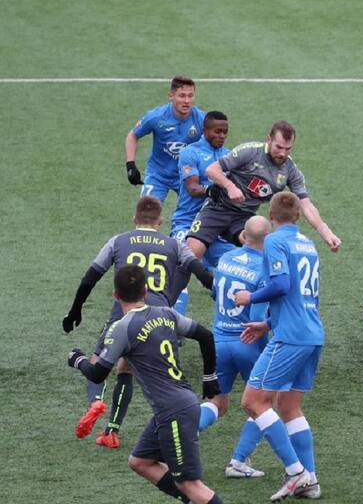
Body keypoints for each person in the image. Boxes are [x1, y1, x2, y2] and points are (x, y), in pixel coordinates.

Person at [62, 196, 213, 448]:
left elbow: (91, 276)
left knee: (100, 361)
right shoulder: (173, 244)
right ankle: (112, 430)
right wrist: (214, 287)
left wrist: (75, 309)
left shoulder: (118, 241)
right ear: (160, 221)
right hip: (161, 316)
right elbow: (197, 269)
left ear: (135, 219)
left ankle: (96, 402)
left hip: (125, 311)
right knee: (129, 369)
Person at [67, 264, 224, 504]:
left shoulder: (122, 327)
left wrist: (77, 360)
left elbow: (98, 373)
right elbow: (205, 335)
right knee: (140, 462)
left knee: (189, 483)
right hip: (175, 406)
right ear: (146, 290)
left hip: (174, 410)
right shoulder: (166, 313)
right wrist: (209, 376)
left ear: (116, 295)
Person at [231, 191, 324, 500]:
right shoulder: (308, 245)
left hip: (291, 337)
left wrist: (250, 298)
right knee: (288, 406)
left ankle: (296, 472)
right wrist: (267, 323)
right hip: (312, 333)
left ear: (271, 216)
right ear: (297, 216)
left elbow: (281, 285)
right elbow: (302, 296)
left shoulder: (274, 241)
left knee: (253, 401)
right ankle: (310, 481)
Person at [185, 120, 340, 262]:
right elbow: (212, 170)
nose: (283, 154)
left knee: (263, 251)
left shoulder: (290, 170)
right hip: (217, 209)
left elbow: (306, 205)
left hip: (244, 217)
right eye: (279, 147)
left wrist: (326, 233)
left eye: (288, 149)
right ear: (269, 140)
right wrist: (230, 187)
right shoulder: (250, 152)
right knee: (192, 253)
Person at [199, 216, 270, 478]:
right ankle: (239, 462)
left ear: (243, 236)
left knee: (217, 403)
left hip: (218, 341)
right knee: (263, 404)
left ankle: (179, 438)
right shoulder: (265, 268)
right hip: (248, 343)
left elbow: (216, 294)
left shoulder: (225, 259)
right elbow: (259, 319)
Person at [170, 110, 236, 314]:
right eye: (217, 131)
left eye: (225, 132)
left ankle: (234, 324)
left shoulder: (230, 156)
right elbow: (192, 187)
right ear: (204, 130)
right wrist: (209, 190)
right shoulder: (190, 152)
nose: (222, 136)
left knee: (236, 271)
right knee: (180, 270)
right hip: (187, 224)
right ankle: (172, 325)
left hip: (215, 228)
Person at [125, 76, 205, 203]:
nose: (187, 101)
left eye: (190, 96)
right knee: (147, 213)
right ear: (171, 96)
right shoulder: (156, 117)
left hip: (187, 176)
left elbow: (210, 147)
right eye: (182, 96)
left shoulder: (202, 119)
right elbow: (133, 135)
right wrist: (130, 166)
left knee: (195, 218)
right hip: (158, 174)